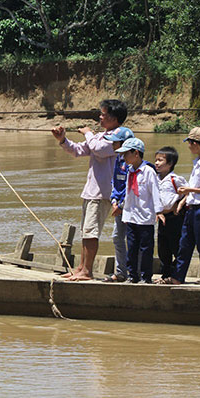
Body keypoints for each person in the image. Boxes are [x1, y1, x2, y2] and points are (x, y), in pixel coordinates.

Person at [51, 99, 127, 281]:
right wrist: (62, 140)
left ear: (114, 118)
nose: (100, 117)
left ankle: (87, 271)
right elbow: (78, 150)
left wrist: (88, 133)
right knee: (86, 231)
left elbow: (99, 150)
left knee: (92, 232)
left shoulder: (119, 137)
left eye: (103, 114)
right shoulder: (100, 135)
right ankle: (81, 268)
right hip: (91, 190)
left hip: (103, 192)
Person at [157, 127, 200, 285]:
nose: (189, 147)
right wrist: (184, 200)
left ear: (195, 144)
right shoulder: (198, 162)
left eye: (190, 143)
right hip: (192, 209)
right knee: (184, 245)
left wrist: (189, 190)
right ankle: (178, 277)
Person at [115, 137, 165, 283]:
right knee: (132, 247)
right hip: (131, 216)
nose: (123, 157)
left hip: (145, 216)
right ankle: (133, 275)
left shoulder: (148, 171)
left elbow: (155, 192)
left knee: (145, 248)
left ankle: (145, 276)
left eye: (126, 153)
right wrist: (121, 207)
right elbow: (128, 192)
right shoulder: (130, 171)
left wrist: (159, 211)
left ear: (136, 153)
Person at [101, 127, 134, 282]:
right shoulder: (119, 159)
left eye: (115, 142)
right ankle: (121, 272)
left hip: (131, 207)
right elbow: (115, 182)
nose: (113, 145)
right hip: (119, 205)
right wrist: (114, 201)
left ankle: (135, 272)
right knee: (117, 237)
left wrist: (121, 205)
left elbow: (131, 187)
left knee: (134, 239)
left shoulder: (132, 162)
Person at [154, 146, 188, 282]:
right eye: (155, 160)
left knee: (176, 246)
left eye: (160, 160)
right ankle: (165, 275)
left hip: (175, 217)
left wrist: (180, 204)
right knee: (163, 249)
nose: (156, 163)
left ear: (170, 164)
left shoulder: (175, 179)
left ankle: (176, 274)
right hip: (161, 218)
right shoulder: (154, 178)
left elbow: (189, 191)